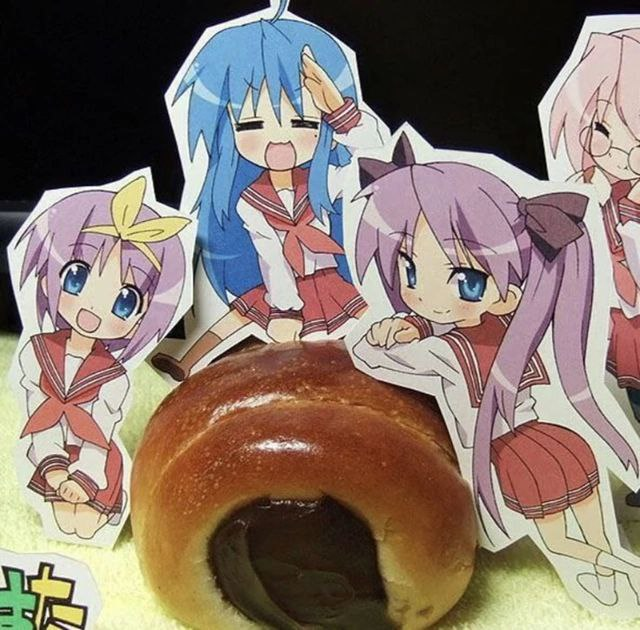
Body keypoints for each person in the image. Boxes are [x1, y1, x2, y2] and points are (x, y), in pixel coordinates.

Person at [351, 134, 640, 608]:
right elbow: (429, 325)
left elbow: (373, 355)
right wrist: (412, 323)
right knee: (583, 522)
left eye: (465, 280)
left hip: (507, 453)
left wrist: (385, 333)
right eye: (409, 270)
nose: (422, 294)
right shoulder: (513, 328)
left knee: (564, 533)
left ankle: (610, 565)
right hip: (549, 436)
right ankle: (610, 563)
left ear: (508, 291)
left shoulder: (451, 351)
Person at [151, 0, 383, 381]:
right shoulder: (249, 201)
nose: (279, 141)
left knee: (373, 332)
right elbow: (271, 255)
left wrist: (340, 111)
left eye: (303, 122)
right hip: (280, 290)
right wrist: (285, 310)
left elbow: (379, 163)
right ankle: (186, 363)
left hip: (329, 287)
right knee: (238, 314)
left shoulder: (330, 180)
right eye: (251, 124)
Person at [15, 177, 189, 539]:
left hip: (95, 464)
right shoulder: (36, 353)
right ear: (48, 280)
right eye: (76, 278)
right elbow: (38, 411)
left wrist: (83, 477)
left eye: (125, 301)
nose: (92, 307)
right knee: (64, 521)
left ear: (142, 318)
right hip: (46, 453)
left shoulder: (113, 377)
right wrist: (54, 469)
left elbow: (102, 430)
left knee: (84, 524)